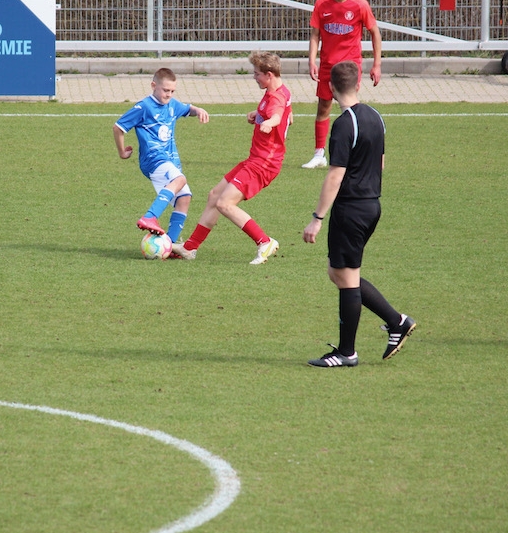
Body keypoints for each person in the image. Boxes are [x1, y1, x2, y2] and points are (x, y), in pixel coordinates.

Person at [302, 61, 414, 367]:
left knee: (346, 276)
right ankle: (396, 321)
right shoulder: (376, 116)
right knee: (339, 273)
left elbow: (335, 175)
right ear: (359, 84)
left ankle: (347, 351)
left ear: (330, 88)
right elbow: (380, 162)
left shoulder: (343, 124)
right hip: (371, 204)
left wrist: (317, 218)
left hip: (350, 208)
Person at [170, 50, 291, 265]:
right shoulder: (281, 90)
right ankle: (190, 248)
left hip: (264, 164)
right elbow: (288, 116)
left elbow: (278, 114)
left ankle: (264, 242)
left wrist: (269, 123)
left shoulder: (275, 98)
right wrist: (258, 115)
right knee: (215, 196)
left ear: (269, 74)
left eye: (257, 74)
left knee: (225, 204)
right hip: (256, 159)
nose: (254, 77)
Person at [114, 68, 210, 244]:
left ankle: (170, 244)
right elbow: (118, 127)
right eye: (165, 90)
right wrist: (122, 152)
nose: (169, 95)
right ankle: (150, 216)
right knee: (180, 180)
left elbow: (187, 109)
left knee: (184, 198)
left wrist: (199, 110)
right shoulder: (144, 107)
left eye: (172, 91)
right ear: (153, 86)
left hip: (170, 161)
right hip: (153, 159)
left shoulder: (172, 105)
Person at [302, 0, 383, 170]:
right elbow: (315, 35)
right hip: (327, 65)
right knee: (323, 107)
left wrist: (377, 64)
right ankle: (319, 154)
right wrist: (312, 60)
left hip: (349, 66)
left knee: (349, 107)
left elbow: (375, 33)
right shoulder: (322, 4)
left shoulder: (359, 5)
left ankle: (355, 152)